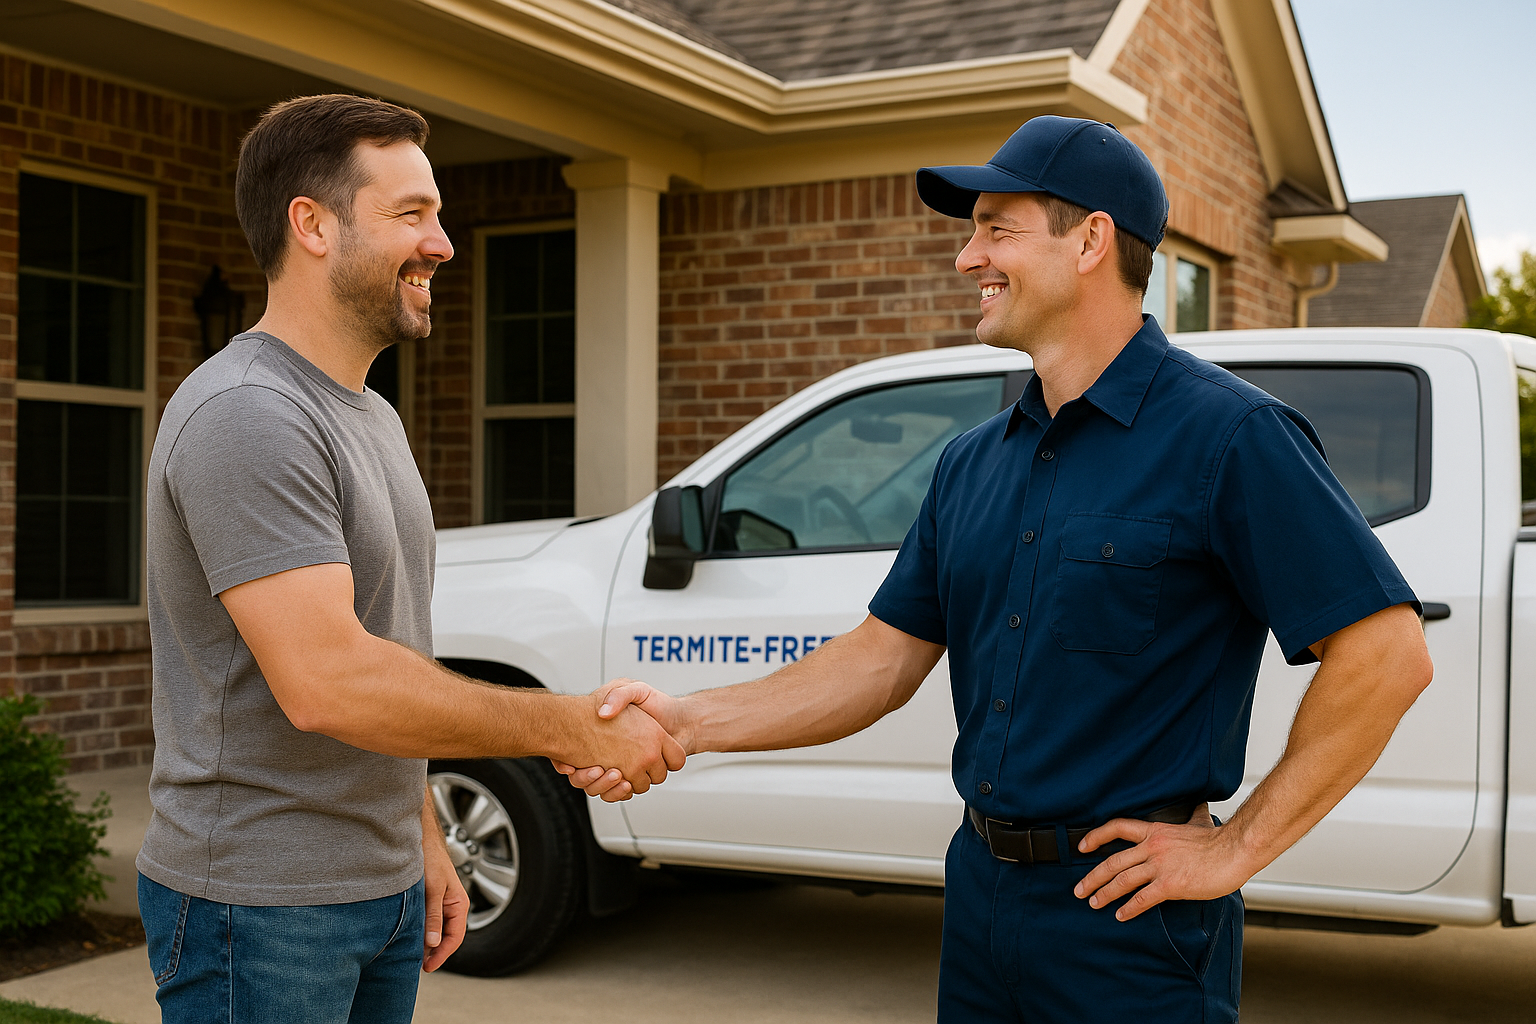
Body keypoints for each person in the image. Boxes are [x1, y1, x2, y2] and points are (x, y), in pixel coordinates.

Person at [559, 116, 1434, 1022]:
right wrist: (689, 722)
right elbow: (879, 662)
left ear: (1090, 241)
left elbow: (1387, 655)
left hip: (1133, 923)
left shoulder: (1232, 436)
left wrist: (1236, 849)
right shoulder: (970, 462)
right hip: (980, 895)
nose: (966, 256)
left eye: (996, 229)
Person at [136, 94, 684, 1024]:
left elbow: (389, 651)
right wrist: (570, 728)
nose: (443, 244)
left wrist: (419, 831)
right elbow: (330, 682)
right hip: (261, 909)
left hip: (377, 885)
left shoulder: (370, 414)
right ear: (313, 225)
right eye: (411, 214)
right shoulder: (248, 413)